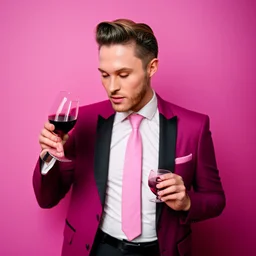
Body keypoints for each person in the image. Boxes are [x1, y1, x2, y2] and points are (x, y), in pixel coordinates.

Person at [33, 19, 226, 256]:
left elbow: (216, 199)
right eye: (105, 75)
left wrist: (187, 202)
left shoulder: (194, 127)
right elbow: (46, 198)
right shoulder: (83, 121)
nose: (112, 87)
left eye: (123, 74)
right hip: (97, 249)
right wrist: (49, 157)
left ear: (151, 67)